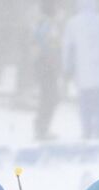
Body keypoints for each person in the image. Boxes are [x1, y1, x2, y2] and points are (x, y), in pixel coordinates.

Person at [62, 0, 99, 139]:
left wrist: (67, 67)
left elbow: (67, 47)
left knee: (85, 102)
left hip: (82, 70)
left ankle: (86, 130)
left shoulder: (72, 23)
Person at [31, 2, 63, 140]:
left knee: (48, 96)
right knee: (50, 97)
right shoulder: (48, 25)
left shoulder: (42, 23)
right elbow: (47, 44)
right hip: (47, 64)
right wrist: (52, 58)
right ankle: (41, 128)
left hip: (43, 63)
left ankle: (41, 127)